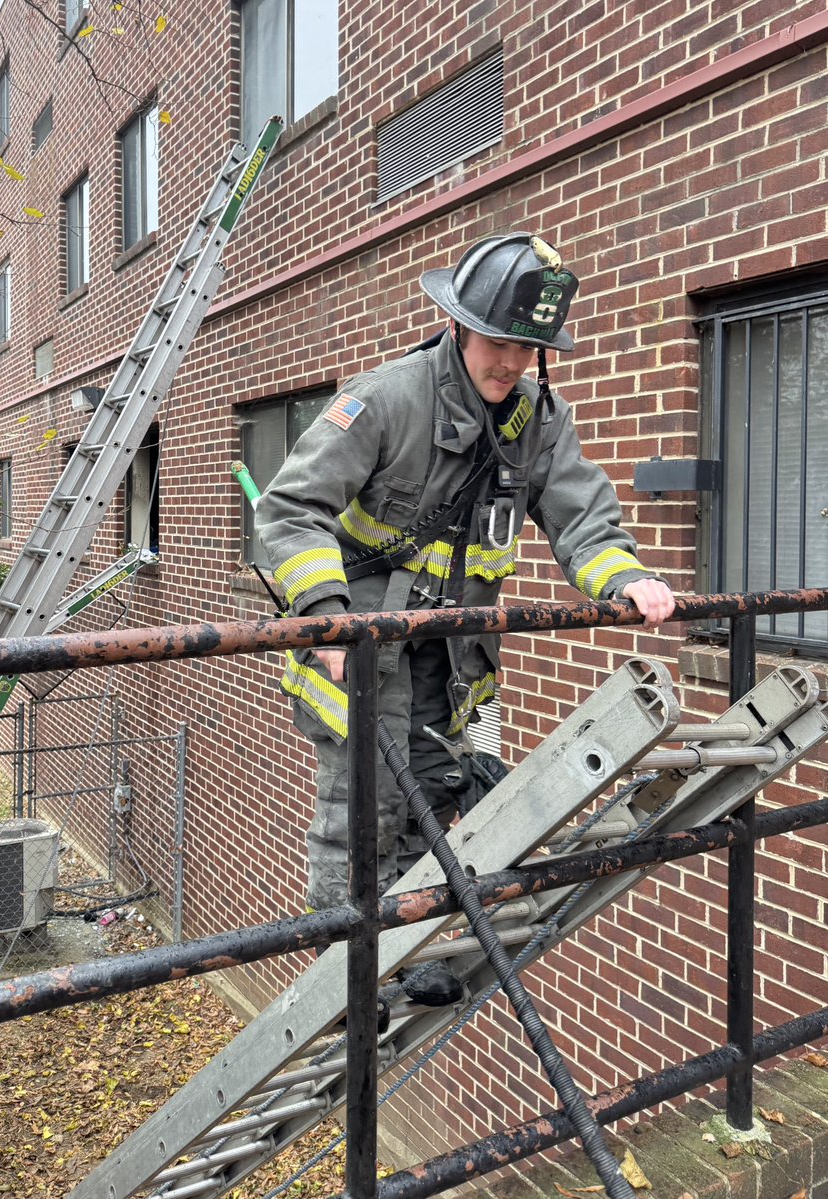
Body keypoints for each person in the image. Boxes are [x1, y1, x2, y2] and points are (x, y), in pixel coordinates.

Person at [254, 232, 675, 1006]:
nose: (511, 363)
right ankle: (347, 984)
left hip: (449, 661)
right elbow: (287, 512)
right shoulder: (386, 399)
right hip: (360, 652)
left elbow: (580, 514)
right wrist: (324, 616)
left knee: (430, 803)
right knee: (362, 817)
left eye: (527, 348)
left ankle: (407, 950)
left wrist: (627, 576)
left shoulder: (536, 420)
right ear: (455, 324)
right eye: (499, 341)